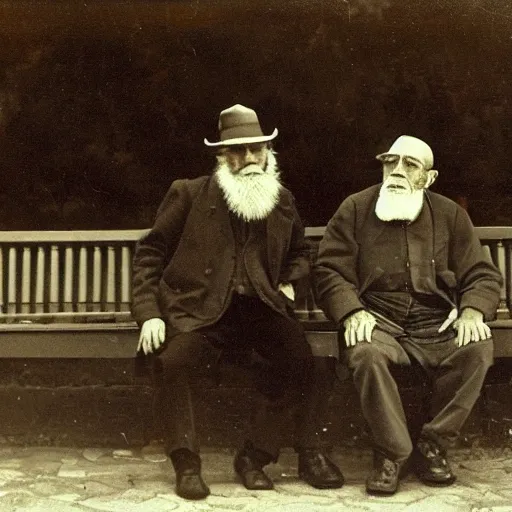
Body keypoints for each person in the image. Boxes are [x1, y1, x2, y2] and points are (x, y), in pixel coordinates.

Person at [131, 104, 343, 500]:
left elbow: (301, 253)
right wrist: (149, 315)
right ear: (221, 156)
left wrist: (289, 282)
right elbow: (150, 254)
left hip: (260, 308)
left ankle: (253, 457)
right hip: (201, 312)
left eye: (255, 150)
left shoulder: (281, 200)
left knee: (301, 360)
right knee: (173, 361)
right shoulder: (189, 194)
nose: (247, 159)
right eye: (236, 151)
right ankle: (187, 464)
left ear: (267, 153)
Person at [313, 135, 502, 495]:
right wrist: (351, 311)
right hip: (377, 319)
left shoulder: (450, 214)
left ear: (428, 178)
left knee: (478, 349)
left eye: (410, 165)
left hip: (436, 323)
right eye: (390, 161)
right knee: (365, 353)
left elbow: (482, 273)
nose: (396, 171)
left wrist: (472, 310)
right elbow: (328, 270)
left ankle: (433, 444)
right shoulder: (355, 208)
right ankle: (393, 454)